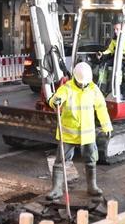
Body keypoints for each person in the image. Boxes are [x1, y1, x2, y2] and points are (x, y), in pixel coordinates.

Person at [46, 62, 113, 200]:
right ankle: (56, 189)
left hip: (87, 135)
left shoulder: (94, 89)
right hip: (68, 134)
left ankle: (92, 186)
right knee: (60, 161)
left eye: (85, 83)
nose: (82, 85)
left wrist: (107, 127)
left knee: (91, 160)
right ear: (75, 78)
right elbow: (53, 100)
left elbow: (101, 108)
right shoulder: (67, 88)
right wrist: (55, 102)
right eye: (80, 82)